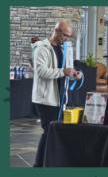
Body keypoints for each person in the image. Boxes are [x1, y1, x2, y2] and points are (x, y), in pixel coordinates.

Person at [32, 20, 81, 167]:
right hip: (45, 98)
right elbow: (41, 72)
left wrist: (74, 74)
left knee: (53, 132)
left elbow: (67, 69)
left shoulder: (64, 48)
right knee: (49, 131)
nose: (66, 38)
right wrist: (63, 71)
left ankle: (49, 163)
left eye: (68, 36)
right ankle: (38, 165)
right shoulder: (42, 48)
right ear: (57, 31)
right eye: (65, 35)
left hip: (60, 97)